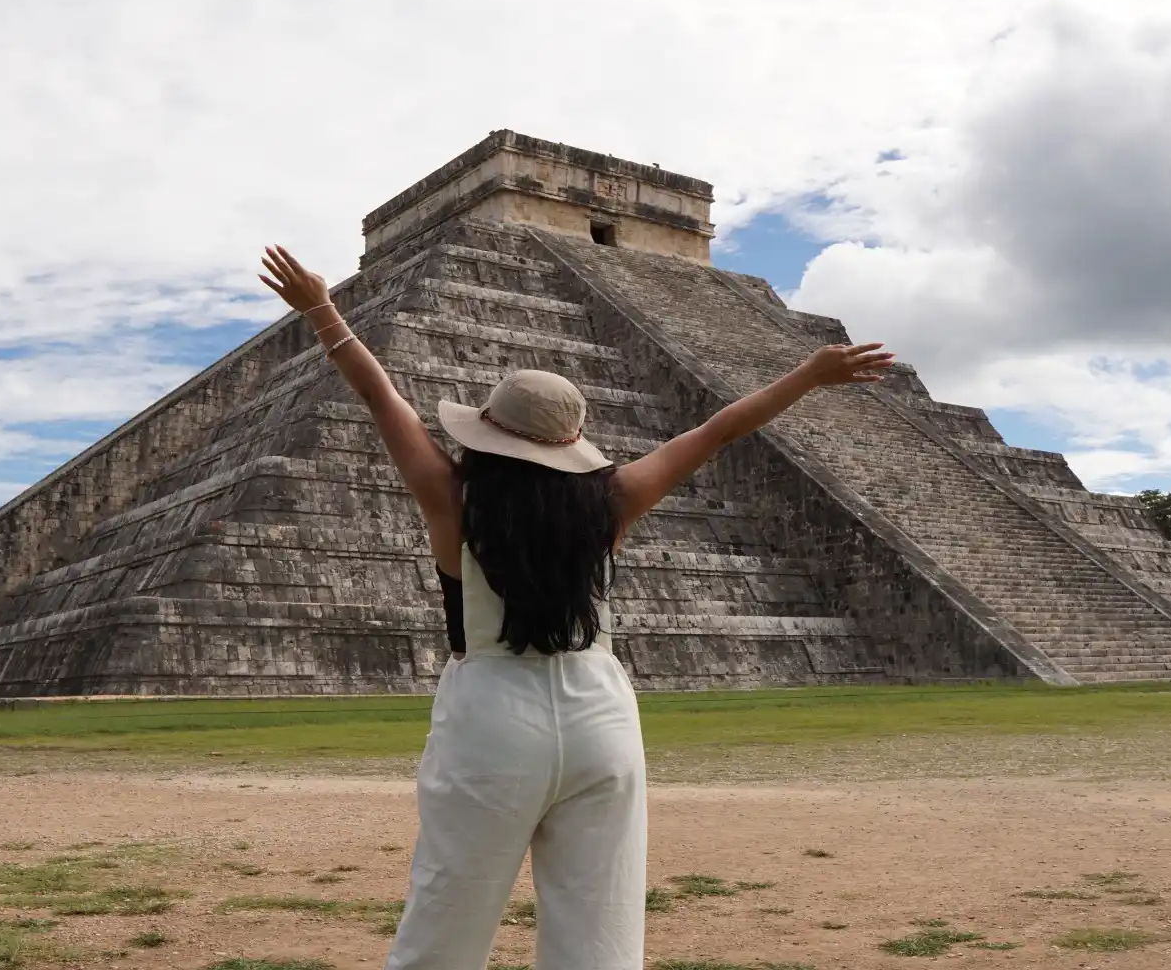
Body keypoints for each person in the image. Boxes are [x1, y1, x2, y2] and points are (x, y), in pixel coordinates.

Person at [257, 245, 894, 970]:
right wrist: (809, 375)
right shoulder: (612, 502)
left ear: (489, 435)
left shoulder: (454, 502)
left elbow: (380, 397)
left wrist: (321, 309)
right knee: (599, 935)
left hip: (492, 718)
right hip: (600, 716)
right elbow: (717, 431)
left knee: (445, 926)